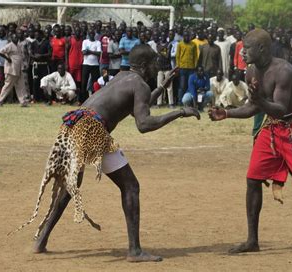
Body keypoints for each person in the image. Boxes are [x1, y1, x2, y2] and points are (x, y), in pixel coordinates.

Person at [10, 44, 200, 262]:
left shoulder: (123, 76)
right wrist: (178, 112)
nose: (157, 69)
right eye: (155, 64)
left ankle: (41, 241)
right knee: (130, 186)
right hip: (92, 129)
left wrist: (164, 85)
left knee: (70, 187)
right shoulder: (140, 85)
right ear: (146, 66)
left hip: (74, 123)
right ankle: (135, 251)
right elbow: (144, 123)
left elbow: (134, 103)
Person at [208, 29, 292, 261]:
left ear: (261, 49)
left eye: (246, 48)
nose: (242, 52)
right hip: (272, 127)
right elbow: (253, 108)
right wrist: (226, 113)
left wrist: (259, 100)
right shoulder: (250, 71)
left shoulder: (285, 71)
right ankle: (252, 240)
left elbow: (279, 107)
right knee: (252, 179)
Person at [0, 32, 29, 107]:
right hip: (11, 69)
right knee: (7, 86)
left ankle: (23, 102)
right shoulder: (9, 45)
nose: (16, 39)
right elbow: (0, 52)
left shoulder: (19, 45)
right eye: (14, 37)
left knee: (21, 86)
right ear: (11, 38)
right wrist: (8, 58)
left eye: (17, 37)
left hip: (19, 69)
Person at [176, 31, 198, 105]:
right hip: (182, 68)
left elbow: (195, 56)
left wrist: (195, 66)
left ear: (189, 36)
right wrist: (178, 66)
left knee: (190, 85)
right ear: (183, 36)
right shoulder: (180, 44)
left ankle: (189, 101)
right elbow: (177, 56)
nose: (186, 37)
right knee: (182, 85)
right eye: (185, 36)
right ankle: (180, 101)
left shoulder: (193, 44)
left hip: (191, 68)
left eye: (187, 36)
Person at [80, 30, 102, 104]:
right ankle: (83, 99)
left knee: (95, 83)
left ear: (95, 34)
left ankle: (95, 99)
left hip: (95, 65)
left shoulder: (98, 42)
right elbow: (83, 52)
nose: (91, 35)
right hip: (86, 64)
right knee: (84, 82)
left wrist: (89, 51)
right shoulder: (85, 41)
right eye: (90, 33)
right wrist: (92, 52)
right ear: (88, 34)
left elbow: (99, 53)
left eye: (93, 33)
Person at [30, 29, 51, 102]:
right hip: (36, 65)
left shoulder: (46, 42)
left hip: (44, 65)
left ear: (41, 35)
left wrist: (41, 56)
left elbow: (49, 53)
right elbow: (30, 53)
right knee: (35, 81)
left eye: (37, 35)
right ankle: (36, 98)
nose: (36, 36)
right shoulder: (33, 43)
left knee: (44, 81)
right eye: (35, 35)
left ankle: (45, 98)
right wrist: (34, 56)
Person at [156, 31, 174, 107]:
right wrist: (166, 49)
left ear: (166, 36)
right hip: (160, 68)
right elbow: (165, 53)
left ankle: (171, 103)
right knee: (159, 86)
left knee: (169, 87)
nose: (163, 37)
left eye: (164, 36)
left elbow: (166, 56)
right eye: (161, 36)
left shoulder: (169, 44)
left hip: (167, 68)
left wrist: (162, 51)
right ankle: (159, 103)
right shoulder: (158, 45)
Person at [66, 27, 84, 92]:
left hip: (79, 64)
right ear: (74, 32)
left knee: (78, 81)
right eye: (76, 31)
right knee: (70, 80)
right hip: (71, 63)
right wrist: (66, 63)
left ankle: (77, 96)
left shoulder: (82, 40)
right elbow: (66, 51)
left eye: (79, 31)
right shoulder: (70, 39)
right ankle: (69, 95)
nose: (78, 32)